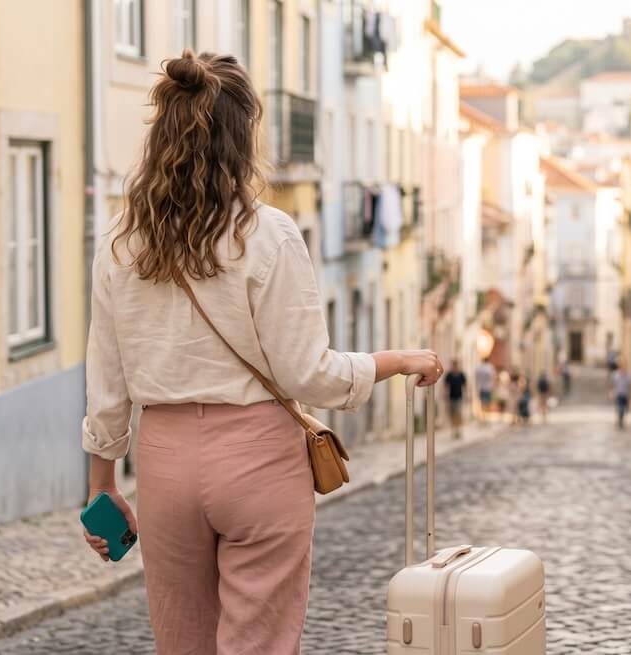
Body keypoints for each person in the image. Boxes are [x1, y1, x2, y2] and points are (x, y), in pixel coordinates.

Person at [79, 51, 444, 654]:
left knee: (182, 643)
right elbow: (310, 373)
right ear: (241, 137)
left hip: (164, 461)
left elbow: (107, 383)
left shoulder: (119, 242)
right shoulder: (268, 234)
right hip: (257, 461)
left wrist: (102, 486)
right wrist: (397, 360)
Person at [443, 360, 467, 440]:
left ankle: (459, 431)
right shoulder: (449, 375)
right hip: (451, 397)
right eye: (454, 365)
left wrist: (467, 396)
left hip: (459, 397)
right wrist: (445, 396)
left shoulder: (461, 375)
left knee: (458, 414)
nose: (455, 367)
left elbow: (465, 386)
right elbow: (446, 386)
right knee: (452, 415)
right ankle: (454, 430)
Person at [474, 358, 496, 423]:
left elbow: (476, 377)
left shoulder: (479, 368)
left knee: (482, 403)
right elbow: (493, 377)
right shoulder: (490, 367)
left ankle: (483, 417)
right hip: (488, 388)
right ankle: (486, 418)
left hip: (481, 388)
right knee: (487, 403)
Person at [611, 364, 631, 430]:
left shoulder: (628, 376)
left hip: (625, 394)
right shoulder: (616, 375)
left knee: (625, 409)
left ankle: (621, 420)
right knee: (620, 408)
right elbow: (612, 384)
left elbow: (630, 385)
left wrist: (630, 394)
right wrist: (611, 392)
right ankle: (620, 421)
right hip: (618, 394)